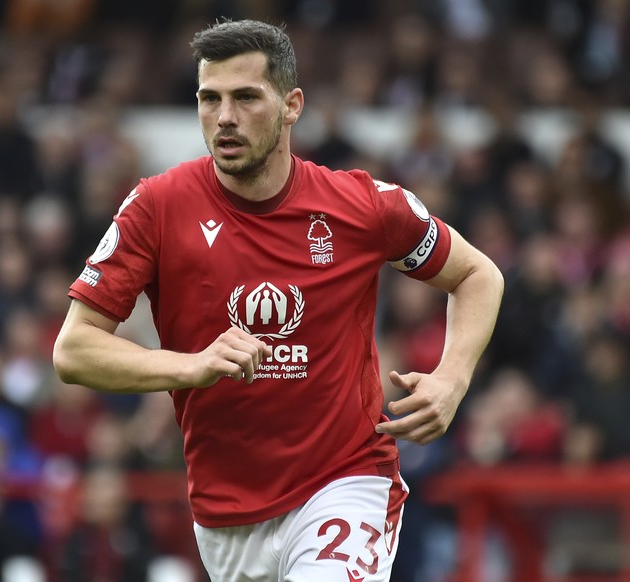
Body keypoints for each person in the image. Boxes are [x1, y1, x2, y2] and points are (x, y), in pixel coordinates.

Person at [53, 18, 504, 581]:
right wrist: (190, 366)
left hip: (345, 483)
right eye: (208, 99)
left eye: (246, 98)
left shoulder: (363, 207)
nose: (224, 118)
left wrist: (452, 378)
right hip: (225, 514)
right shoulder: (156, 207)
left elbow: (478, 275)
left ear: (292, 105)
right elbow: (73, 350)